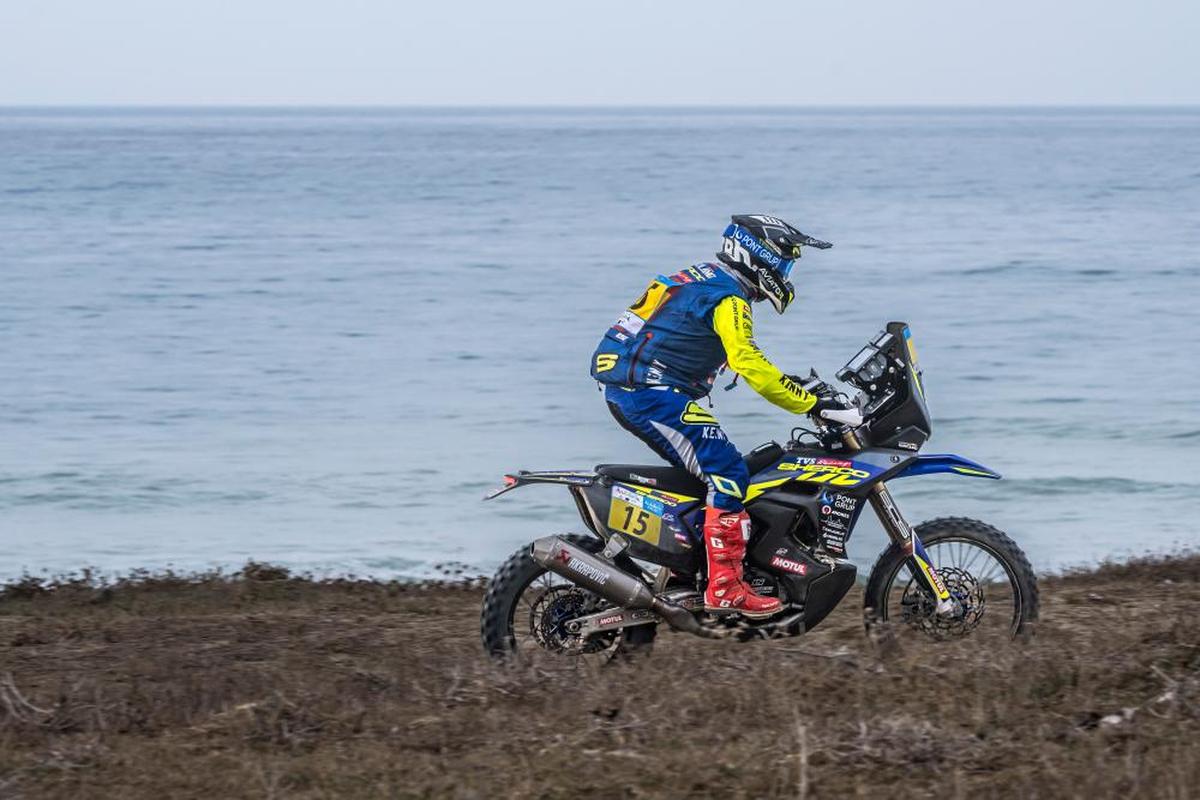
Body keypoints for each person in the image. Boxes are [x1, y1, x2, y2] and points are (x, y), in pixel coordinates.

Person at [590, 214, 840, 619]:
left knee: (706, 474)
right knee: (727, 471)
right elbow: (749, 362)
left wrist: (792, 383)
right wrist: (808, 404)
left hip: (636, 385)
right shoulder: (728, 298)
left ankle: (680, 567)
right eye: (784, 262)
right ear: (759, 257)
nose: (786, 273)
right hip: (649, 392)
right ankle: (725, 590)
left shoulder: (699, 278)